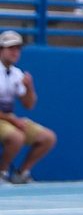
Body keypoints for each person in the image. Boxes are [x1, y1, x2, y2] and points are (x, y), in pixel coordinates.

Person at [0, 31, 56, 185]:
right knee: (17, 137)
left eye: (18, 48)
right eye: (10, 48)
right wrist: (11, 119)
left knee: (47, 137)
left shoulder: (17, 74)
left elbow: (29, 105)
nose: (15, 52)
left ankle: (21, 173)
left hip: (9, 119)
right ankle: (2, 172)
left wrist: (29, 87)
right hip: (5, 119)